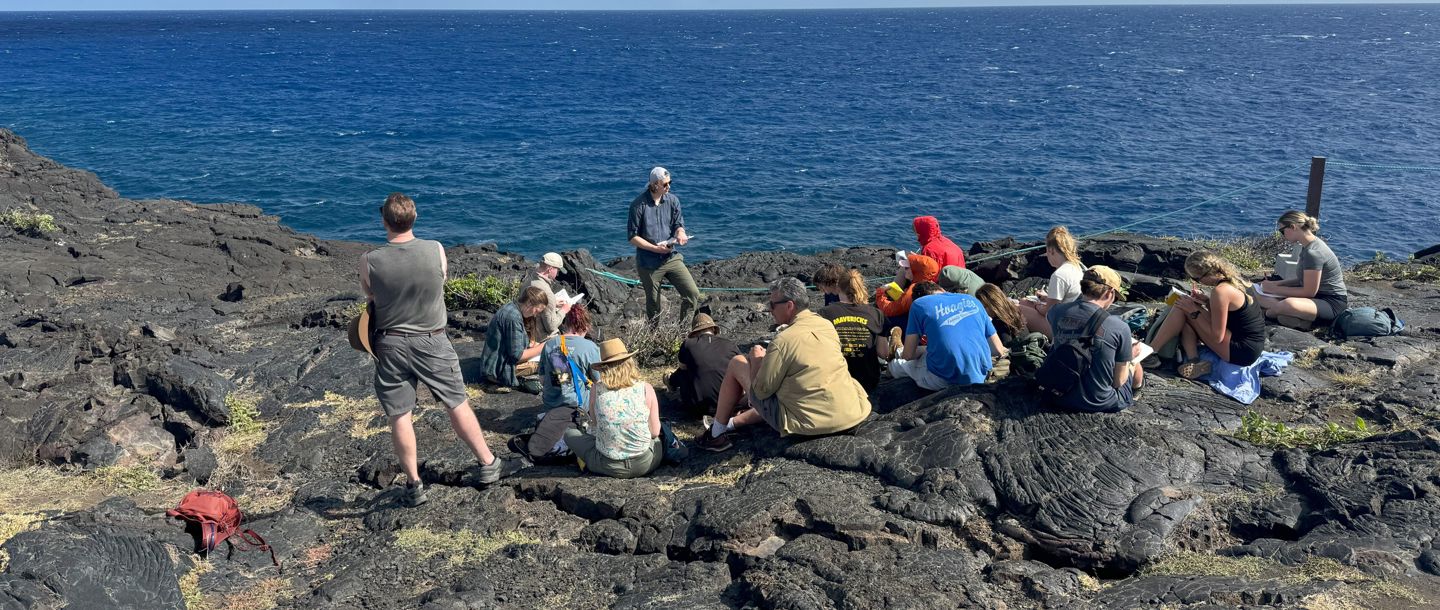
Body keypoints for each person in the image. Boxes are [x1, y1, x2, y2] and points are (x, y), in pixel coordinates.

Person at [358, 193, 510, 506]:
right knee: (456, 401)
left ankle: (414, 485)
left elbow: (370, 296)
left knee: (400, 415)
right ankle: (487, 463)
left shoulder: (369, 260)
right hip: (432, 339)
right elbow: (441, 280)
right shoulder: (436, 249)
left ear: (384, 220)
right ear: (414, 219)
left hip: (390, 341)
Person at [697, 278, 871, 451]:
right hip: (852, 414)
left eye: (772, 305)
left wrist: (757, 360)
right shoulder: (826, 325)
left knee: (737, 363)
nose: (769, 309)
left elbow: (762, 391)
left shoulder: (783, 341)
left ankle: (715, 435)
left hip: (810, 425)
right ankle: (732, 421)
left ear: (789, 306)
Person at [1147, 251, 1267, 379]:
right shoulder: (1235, 281)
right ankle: (1193, 361)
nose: (1196, 282)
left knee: (1182, 308)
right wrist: (1206, 302)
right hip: (1252, 344)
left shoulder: (1220, 292)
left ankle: (1150, 352)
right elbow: (1233, 315)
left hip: (1242, 351)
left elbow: (1217, 337)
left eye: (1195, 279)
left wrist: (1194, 311)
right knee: (1186, 310)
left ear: (1204, 276)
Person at [1044, 266, 1144, 413]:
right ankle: (1136, 391)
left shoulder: (1056, 312)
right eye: (1115, 296)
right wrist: (1130, 357)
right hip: (1099, 402)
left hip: (1059, 394)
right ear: (1109, 293)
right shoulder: (1119, 326)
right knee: (1134, 359)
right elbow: (1118, 382)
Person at [563, 338, 664, 479]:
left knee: (569, 434)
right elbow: (654, 432)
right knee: (659, 437)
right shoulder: (645, 388)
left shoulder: (596, 389)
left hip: (608, 466)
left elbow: (596, 426)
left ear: (604, 367)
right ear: (629, 362)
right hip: (645, 463)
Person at [889, 282, 1008, 391]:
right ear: (942, 289)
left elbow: (908, 355)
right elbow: (998, 349)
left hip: (945, 378)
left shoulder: (919, 304)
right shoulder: (972, 300)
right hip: (981, 374)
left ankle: (895, 355)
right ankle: (899, 350)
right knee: (933, 349)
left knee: (902, 365)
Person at [627, 166, 701, 322]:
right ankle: (654, 335)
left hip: (670, 257)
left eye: (670, 183)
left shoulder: (673, 201)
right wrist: (655, 248)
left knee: (692, 293)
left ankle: (683, 332)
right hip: (649, 263)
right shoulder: (638, 205)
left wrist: (680, 233)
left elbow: (677, 224)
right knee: (654, 305)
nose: (669, 187)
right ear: (654, 184)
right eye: (665, 184)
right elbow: (632, 237)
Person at [1256, 210, 1348, 326]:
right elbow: (1303, 279)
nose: (1282, 235)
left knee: (1288, 304)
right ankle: (1293, 317)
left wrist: (1273, 289)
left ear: (1293, 227)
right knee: (1256, 293)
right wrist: (1276, 284)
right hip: (1315, 297)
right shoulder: (1308, 246)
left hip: (1330, 303)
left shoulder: (1313, 252)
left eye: (1282, 231)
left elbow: (1308, 292)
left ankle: (1265, 314)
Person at [816, 265, 890, 392]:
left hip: (838, 381)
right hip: (869, 381)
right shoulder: (877, 314)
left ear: (838, 288)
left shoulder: (825, 313)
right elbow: (883, 353)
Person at [477, 286, 549, 394]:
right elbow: (517, 356)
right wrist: (542, 347)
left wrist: (535, 345)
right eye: (537, 311)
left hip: (494, 362)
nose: (536, 314)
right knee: (548, 360)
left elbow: (514, 342)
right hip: (498, 369)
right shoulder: (513, 318)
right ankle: (562, 386)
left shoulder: (512, 307)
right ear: (529, 303)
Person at [1020, 225, 1086, 339]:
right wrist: (1047, 298)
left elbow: (1049, 312)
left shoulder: (1059, 275)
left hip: (1061, 329)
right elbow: (1066, 299)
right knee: (1024, 302)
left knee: (1017, 308)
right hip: (1076, 320)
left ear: (1051, 250)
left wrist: (1036, 305)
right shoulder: (1078, 267)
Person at [670, 313, 741, 413]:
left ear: (694, 333)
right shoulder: (730, 345)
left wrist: (671, 380)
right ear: (713, 329)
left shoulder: (688, 344)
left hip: (696, 406)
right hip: (727, 405)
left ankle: (671, 382)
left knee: (684, 371)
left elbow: (682, 371)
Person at [539, 305, 601, 409]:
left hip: (550, 404)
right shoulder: (590, 347)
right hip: (579, 406)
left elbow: (542, 379)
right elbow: (598, 381)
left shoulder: (549, 344)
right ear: (584, 326)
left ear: (565, 323)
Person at [875, 252, 941, 335]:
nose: (904, 270)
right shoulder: (934, 286)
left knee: (882, 319)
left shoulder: (914, 290)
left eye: (907, 268)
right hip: (928, 329)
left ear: (916, 271)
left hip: (918, 333)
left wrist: (880, 293)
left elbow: (889, 309)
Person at [521, 252, 572, 343]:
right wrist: (564, 310)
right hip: (545, 340)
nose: (558, 273)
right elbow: (551, 327)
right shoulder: (547, 293)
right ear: (550, 269)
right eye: (557, 270)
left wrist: (553, 303)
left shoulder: (529, 281)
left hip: (529, 335)